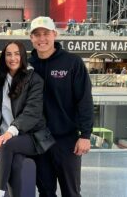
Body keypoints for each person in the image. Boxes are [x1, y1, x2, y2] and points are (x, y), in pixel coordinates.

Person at [28, 16, 94, 197]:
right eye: (37, 34)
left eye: (46, 34)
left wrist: (85, 135)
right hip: (39, 141)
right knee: (45, 192)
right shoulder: (27, 65)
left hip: (67, 141)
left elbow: (85, 100)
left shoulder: (73, 63)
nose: (42, 39)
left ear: (54, 34)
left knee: (71, 193)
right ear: (31, 38)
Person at [0, 41, 54, 197]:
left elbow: (32, 112)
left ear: (23, 56)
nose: (13, 58)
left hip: (32, 136)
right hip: (6, 137)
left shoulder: (34, 80)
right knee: (16, 165)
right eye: (8, 54)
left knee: (7, 144)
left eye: (17, 54)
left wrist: (10, 132)